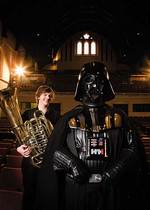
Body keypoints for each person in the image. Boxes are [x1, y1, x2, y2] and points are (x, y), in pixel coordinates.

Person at [35, 62, 142, 210]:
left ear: (106, 85)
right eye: (88, 81)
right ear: (81, 86)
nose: (94, 86)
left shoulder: (120, 117)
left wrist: (115, 171)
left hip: (110, 189)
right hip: (77, 188)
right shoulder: (68, 118)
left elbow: (132, 149)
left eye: (99, 81)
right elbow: (54, 149)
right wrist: (71, 163)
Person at [16, 85, 60, 210]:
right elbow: (18, 135)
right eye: (45, 94)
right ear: (38, 96)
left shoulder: (57, 116)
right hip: (30, 159)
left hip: (48, 162)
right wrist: (19, 148)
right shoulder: (27, 114)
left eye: (50, 95)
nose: (48, 97)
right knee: (29, 192)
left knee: (46, 194)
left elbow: (58, 139)